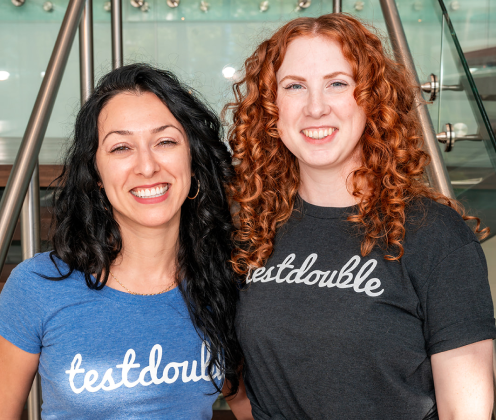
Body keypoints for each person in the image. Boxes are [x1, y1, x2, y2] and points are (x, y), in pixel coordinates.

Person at [225, 14, 496, 420]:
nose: (316, 107)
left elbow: (466, 411)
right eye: (294, 86)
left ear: (371, 99)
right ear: (271, 109)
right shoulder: (250, 228)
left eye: (338, 83)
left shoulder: (435, 234)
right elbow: (242, 389)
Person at [0, 64, 245, 419]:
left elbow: (252, 407)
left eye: (165, 141)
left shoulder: (223, 283)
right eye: (121, 148)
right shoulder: (37, 286)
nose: (147, 166)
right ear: (96, 173)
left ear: (192, 160)